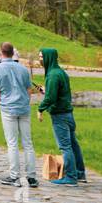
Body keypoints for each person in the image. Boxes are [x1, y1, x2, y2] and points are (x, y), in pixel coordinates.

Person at [0, 41, 38, 188]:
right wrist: (25, 103)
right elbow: (29, 90)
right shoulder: (23, 69)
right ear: (13, 52)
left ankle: (14, 176)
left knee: (12, 143)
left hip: (8, 108)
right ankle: (31, 177)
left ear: (1, 52)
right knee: (28, 143)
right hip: (23, 107)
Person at [38, 47, 86, 185]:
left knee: (65, 147)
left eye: (41, 57)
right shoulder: (60, 72)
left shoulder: (52, 74)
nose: (40, 60)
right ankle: (80, 173)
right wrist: (46, 91)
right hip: (68, 114)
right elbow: (57, 93)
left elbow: (51, 98)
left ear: (49, 58)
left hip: (60, 116)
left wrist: (40, 109)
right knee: (73, 145)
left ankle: (71, 177)